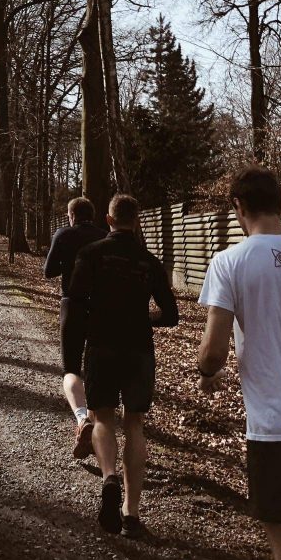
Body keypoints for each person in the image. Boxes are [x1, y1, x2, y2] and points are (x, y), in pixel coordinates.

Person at [197, 165, 281, 560]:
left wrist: (205, 369)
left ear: (238, 207)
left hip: (276, 429)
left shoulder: (229, 262)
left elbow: (213, 353)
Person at [67, 193, 179, 538]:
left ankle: (109, 478)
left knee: (102, 417)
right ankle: (131, 514)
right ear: (137, 221)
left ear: (109, 220)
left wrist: (75, 348)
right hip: (138, 349)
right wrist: (146, 319)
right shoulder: (149, 261)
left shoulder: (90, 254)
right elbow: (171, 314)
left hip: (101, 345)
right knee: (134, 424)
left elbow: (75, 303)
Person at [44, 196, 107, 458]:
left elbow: (48, 271)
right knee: (95, 365)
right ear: (92, 214)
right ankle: (96, 422)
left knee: (71, 368)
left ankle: (82, 418)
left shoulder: (63, 234)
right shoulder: (105, 236)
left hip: (72, 305)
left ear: (71, 215)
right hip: (100, 308)